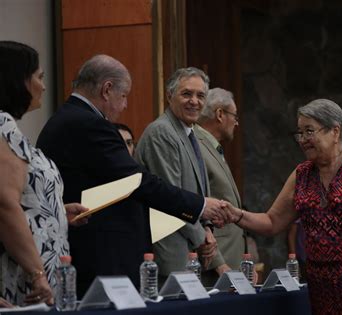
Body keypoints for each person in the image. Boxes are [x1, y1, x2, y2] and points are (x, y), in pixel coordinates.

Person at [36, 55, 227, 297]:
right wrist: (199, 206)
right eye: (124, 95)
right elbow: (137, 182)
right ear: (107, 90)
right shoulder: (89, 123)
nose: (125, 105)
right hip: (100, 256)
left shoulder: (69, 118)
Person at [225, 99, 342, 314]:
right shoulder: (301, 175)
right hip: (323, 289)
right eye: (300, 133)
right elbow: (272, 222)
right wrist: (236, 215)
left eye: (309, 131)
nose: (303, 140)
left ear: (335, 131)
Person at [0, 41, 88, 306]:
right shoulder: (3, 126)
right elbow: (4, 204)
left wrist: (56, 211)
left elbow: (19, 197)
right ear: (17, 80)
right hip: (24, 279)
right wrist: (37, 274)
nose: (43, 86)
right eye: (39, 77)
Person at [135, 67, 219, 283]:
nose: (194, 101)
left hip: (188, 250)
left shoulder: (188, 131)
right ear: (169, 95)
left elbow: (197, 193)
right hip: (168, 254)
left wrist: (208, 229)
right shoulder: (161, 132)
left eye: (200, 96)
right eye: (186, 94)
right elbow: (171, 198)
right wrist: (203, 238)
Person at [195, 87, 245, 285]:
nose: (237, 122)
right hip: (213, 266)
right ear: (220, 114)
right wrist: (218, 263)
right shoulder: (196, 146)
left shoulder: (213, 147)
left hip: (229, 263)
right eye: (235, 115)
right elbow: (195, 205)